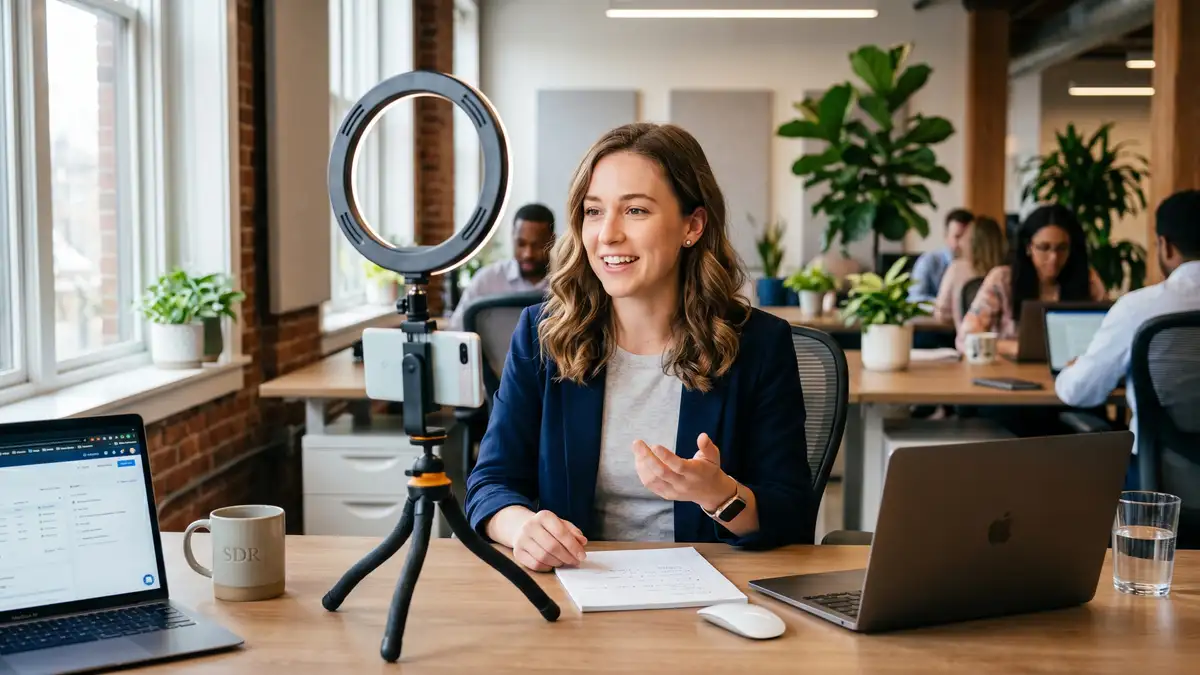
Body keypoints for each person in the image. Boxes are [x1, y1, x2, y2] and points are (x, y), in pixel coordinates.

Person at [464, 122, 813, 572]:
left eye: (635, 211)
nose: (607, 234)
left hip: (713, 599)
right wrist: (521, 529)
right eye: (593, 211)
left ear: (692, 225)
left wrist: (719, 494)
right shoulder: (543, 335)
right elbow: (490, 483)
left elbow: (792, 515)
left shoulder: (758, 344)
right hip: (575, 591)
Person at [1056, 190, 1200, 486]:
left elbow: (1080, 391)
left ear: (1166, 246)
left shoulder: (1138, 309)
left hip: (1158, 484)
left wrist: (1074, 368)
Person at [957, 205, 1106, 356]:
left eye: (1062, 248)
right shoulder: (1002, 279)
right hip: (1009, 370)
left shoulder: (1088, 279)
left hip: (1069, 370)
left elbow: (1109, 334)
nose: (1053, 257)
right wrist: (1014, 348)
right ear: (1028, 247)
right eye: (1044, 247)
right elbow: (966, 337)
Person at [448, 203, 556, 330]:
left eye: (537, 245)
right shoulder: (487, 280)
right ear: (512, 238)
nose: (528, 254)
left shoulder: (568, 282)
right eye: (521, 244)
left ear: (552, 241)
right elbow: (456, 330)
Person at [933, 215, 1007, 328]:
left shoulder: (957, 269)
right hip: (1006, 344)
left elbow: (941, 314)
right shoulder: (1009, 273)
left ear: (971, 242)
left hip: (968, 342)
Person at [908, 209, 974, 303]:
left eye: (967, 238)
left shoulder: (979, 264)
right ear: (946, 236)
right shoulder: (928, 262)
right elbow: (915, 298)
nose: (963, 243)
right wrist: (942, 306)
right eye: (957, 237)